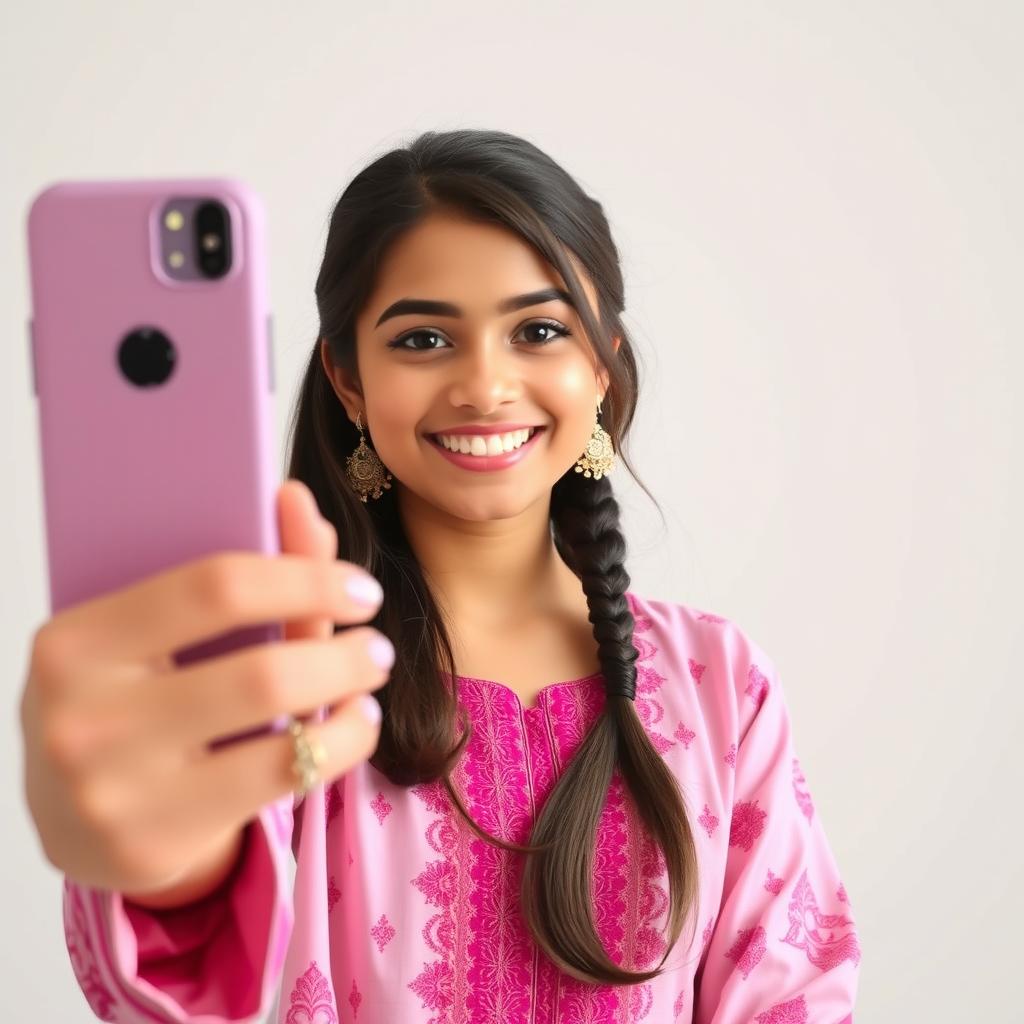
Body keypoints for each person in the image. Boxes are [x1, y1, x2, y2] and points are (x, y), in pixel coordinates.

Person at [20, 129, 861, 1023]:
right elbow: (186, 957)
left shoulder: (720, 682)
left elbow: (793, 990)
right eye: (423, 339)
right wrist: (159, 867)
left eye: (539, 330)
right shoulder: (289, 677)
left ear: (603, 362)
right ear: (348, 379)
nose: (485, 386)